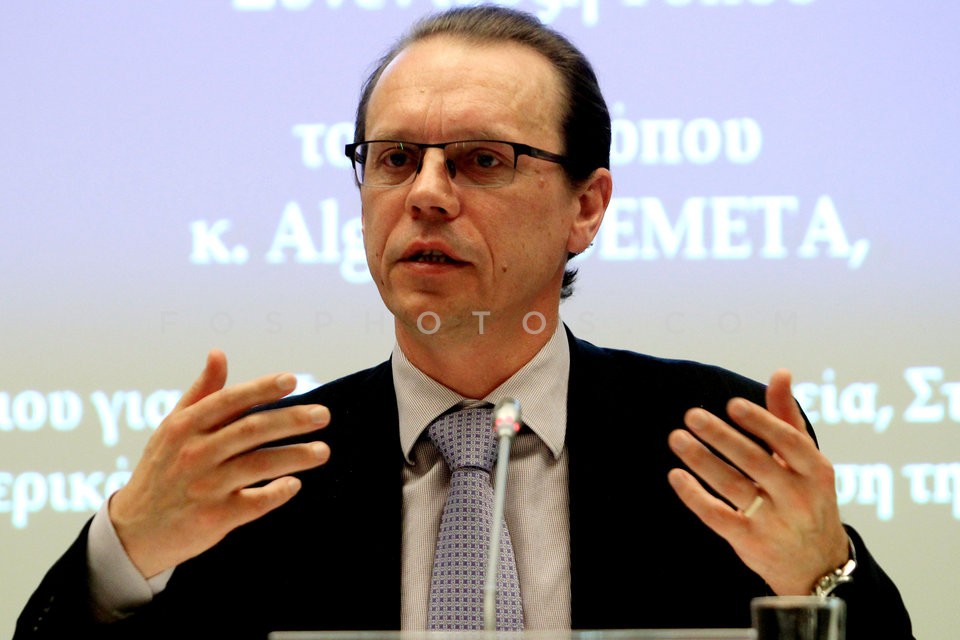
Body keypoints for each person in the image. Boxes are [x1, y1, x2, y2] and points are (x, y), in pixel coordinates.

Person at [16, 5, 913, 640]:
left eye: (483, 160)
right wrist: (124, 551)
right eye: (395, 159)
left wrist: (821, 574)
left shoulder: (713, 441)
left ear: (586, 206)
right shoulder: (261, 476)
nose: (428, 194)